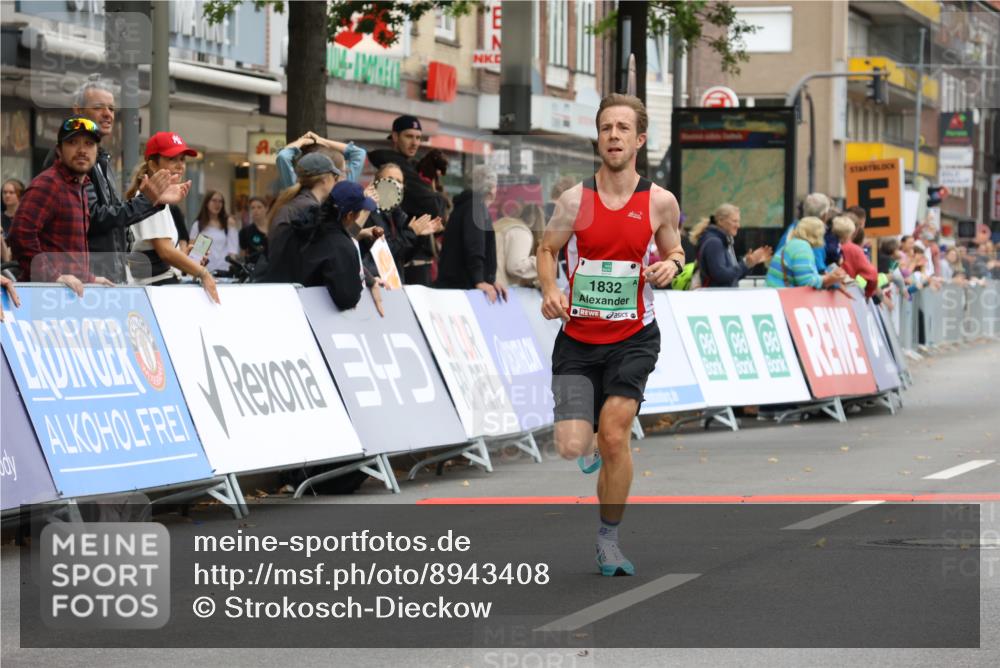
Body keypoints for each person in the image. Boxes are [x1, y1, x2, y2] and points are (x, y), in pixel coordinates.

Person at [537, 94, 684, 577]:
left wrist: (670, 266)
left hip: (633, 336)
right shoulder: (575, 200)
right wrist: (550, 288)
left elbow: (676, 252)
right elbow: (546, 248)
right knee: (571, 445)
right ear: (597, 138)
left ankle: (608, 540)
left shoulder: (660, 202)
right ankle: (592, 439)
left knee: (616, 435)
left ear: (639, 139)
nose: (614, 136)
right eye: (606, 128)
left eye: (623, 128)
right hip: (578, 337)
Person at [44, 79, 189, 283]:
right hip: (81, 281)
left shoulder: (101, 160)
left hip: (103, 278)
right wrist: (148, 200)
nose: (108, 114)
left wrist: (153, 201)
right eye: (98, 107)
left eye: (111, 108)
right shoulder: (68, 162)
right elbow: (93, 218)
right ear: (77, 111)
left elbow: (112, 220)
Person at [9, 117, 116, 294]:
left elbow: (67, 253)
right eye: (73, 142)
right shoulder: (48, 184)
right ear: (59, 150)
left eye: (89, 144)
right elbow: (20, 235)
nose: (82, 150)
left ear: (97, 151)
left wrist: (89, 278)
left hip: (65, 298)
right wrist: (53, 277)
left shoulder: (79, 186)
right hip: (41, 298)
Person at [125, 132, 219, 303]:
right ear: (153, 164)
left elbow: (164, 250)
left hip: (158, 287)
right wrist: (202, 273)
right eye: (172, 159)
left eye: (182, 159)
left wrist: (186, 256)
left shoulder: (158, 198)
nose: (180, 165)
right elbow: (165, 252)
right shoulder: (150, 197)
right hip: (154, 291)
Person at [299, 180, 379, 310]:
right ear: (349, 215)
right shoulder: (341, 245)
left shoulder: (309, 225)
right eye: (360, 211)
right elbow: (347, 298)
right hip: (318, 318)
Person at [264, 153, 341, 283]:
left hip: (284, 284)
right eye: (335, 177)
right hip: (296, 289)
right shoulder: (310, 210)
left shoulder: (295, 204)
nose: (336, 181)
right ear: (324, 179)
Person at [436, 165, 507, 302]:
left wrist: (489, 280)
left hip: (455, 286)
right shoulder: (476, 208)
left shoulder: (463, 207)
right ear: (491, 190)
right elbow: (474, 245)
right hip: (464, 289)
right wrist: (479, 280)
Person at [361, 163, 442, 281]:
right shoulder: (367, 213)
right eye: (390, 179)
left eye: (399, 181)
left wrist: (418, 236)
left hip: (393, 285)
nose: (395, 184)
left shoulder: (397, 215)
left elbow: (401, 257)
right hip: (374, 284)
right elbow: (384, 254)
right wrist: (411, 233)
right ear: (376, 182)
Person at [367, 115, 449, 226]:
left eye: (418, 138)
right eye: (409, 136)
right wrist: (440, 197)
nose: (415, 143)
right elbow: (433, 207)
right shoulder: (396, 165)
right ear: (395, 136)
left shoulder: (412, 166)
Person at [688, 203, 771, 288]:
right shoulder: (714, 243)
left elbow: (732, 277)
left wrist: (751, 263)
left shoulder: (723, 240)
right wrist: (745, 264)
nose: (738, 225)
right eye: (734, 221)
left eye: (738, 221)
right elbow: (721, 276)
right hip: (715, 298)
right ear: (720, 221)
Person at [765, 217, 847, 289]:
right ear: (816, 234)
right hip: (783, 297)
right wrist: (829, 278)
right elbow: (806, 281)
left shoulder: (793, 244)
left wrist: (831, 280)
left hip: (776, 295)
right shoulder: (801, 247)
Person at [276, 131, 367, 189]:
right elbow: (359, 153)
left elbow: (283, 157)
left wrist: (301, 142)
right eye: (342, 171)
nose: (343, 174)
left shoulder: (298, 188)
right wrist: (321, 140)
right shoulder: (345, 185)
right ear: (334, 172)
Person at [494, 203, 545, 287]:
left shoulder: (503, 224)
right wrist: (543, 262)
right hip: (496, 289)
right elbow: (516, 266)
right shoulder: (521, 232)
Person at [191, 191, 240, 275]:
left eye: (220, 201)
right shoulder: (198, 225)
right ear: (206, 203)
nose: (217, 204)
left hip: (224, 270)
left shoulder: (228, 223)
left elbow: (233, 249)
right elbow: (193, 251)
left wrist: (233, 269)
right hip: (204, 271)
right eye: (214, 200)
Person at [834, 215, 877, 299]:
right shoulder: (854, 249)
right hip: (847, 293)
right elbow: (872, 275)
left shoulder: (825, 246)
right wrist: (868, 294)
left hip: (827, 292)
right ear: (853, 232)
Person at [239, 197, 269, 264]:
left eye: (259, 207)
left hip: (273, 269)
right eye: (252, 208)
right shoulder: (245, 231)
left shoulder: (275, 228)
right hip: (254, 270)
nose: (256, 210)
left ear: (266, 209)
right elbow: (242, 255)